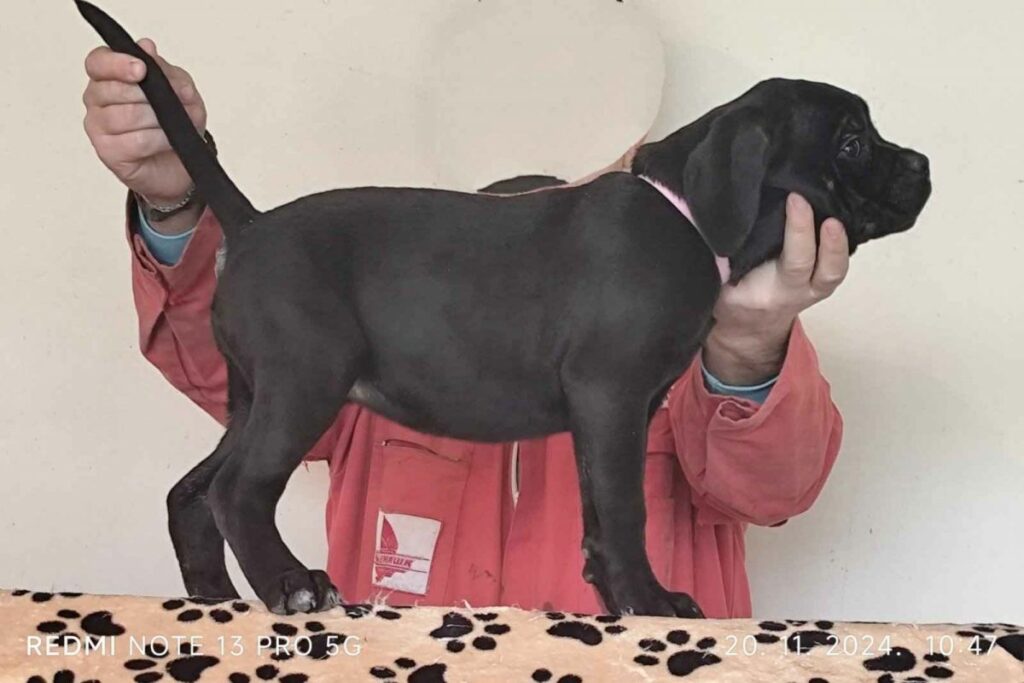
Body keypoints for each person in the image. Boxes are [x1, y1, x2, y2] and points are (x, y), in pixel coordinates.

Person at [82, 40, 848, 619]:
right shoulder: (375, 277)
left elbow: (773, 489)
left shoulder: (709, 302)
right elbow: (228, 369)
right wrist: (178, 205)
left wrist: (748, 342)